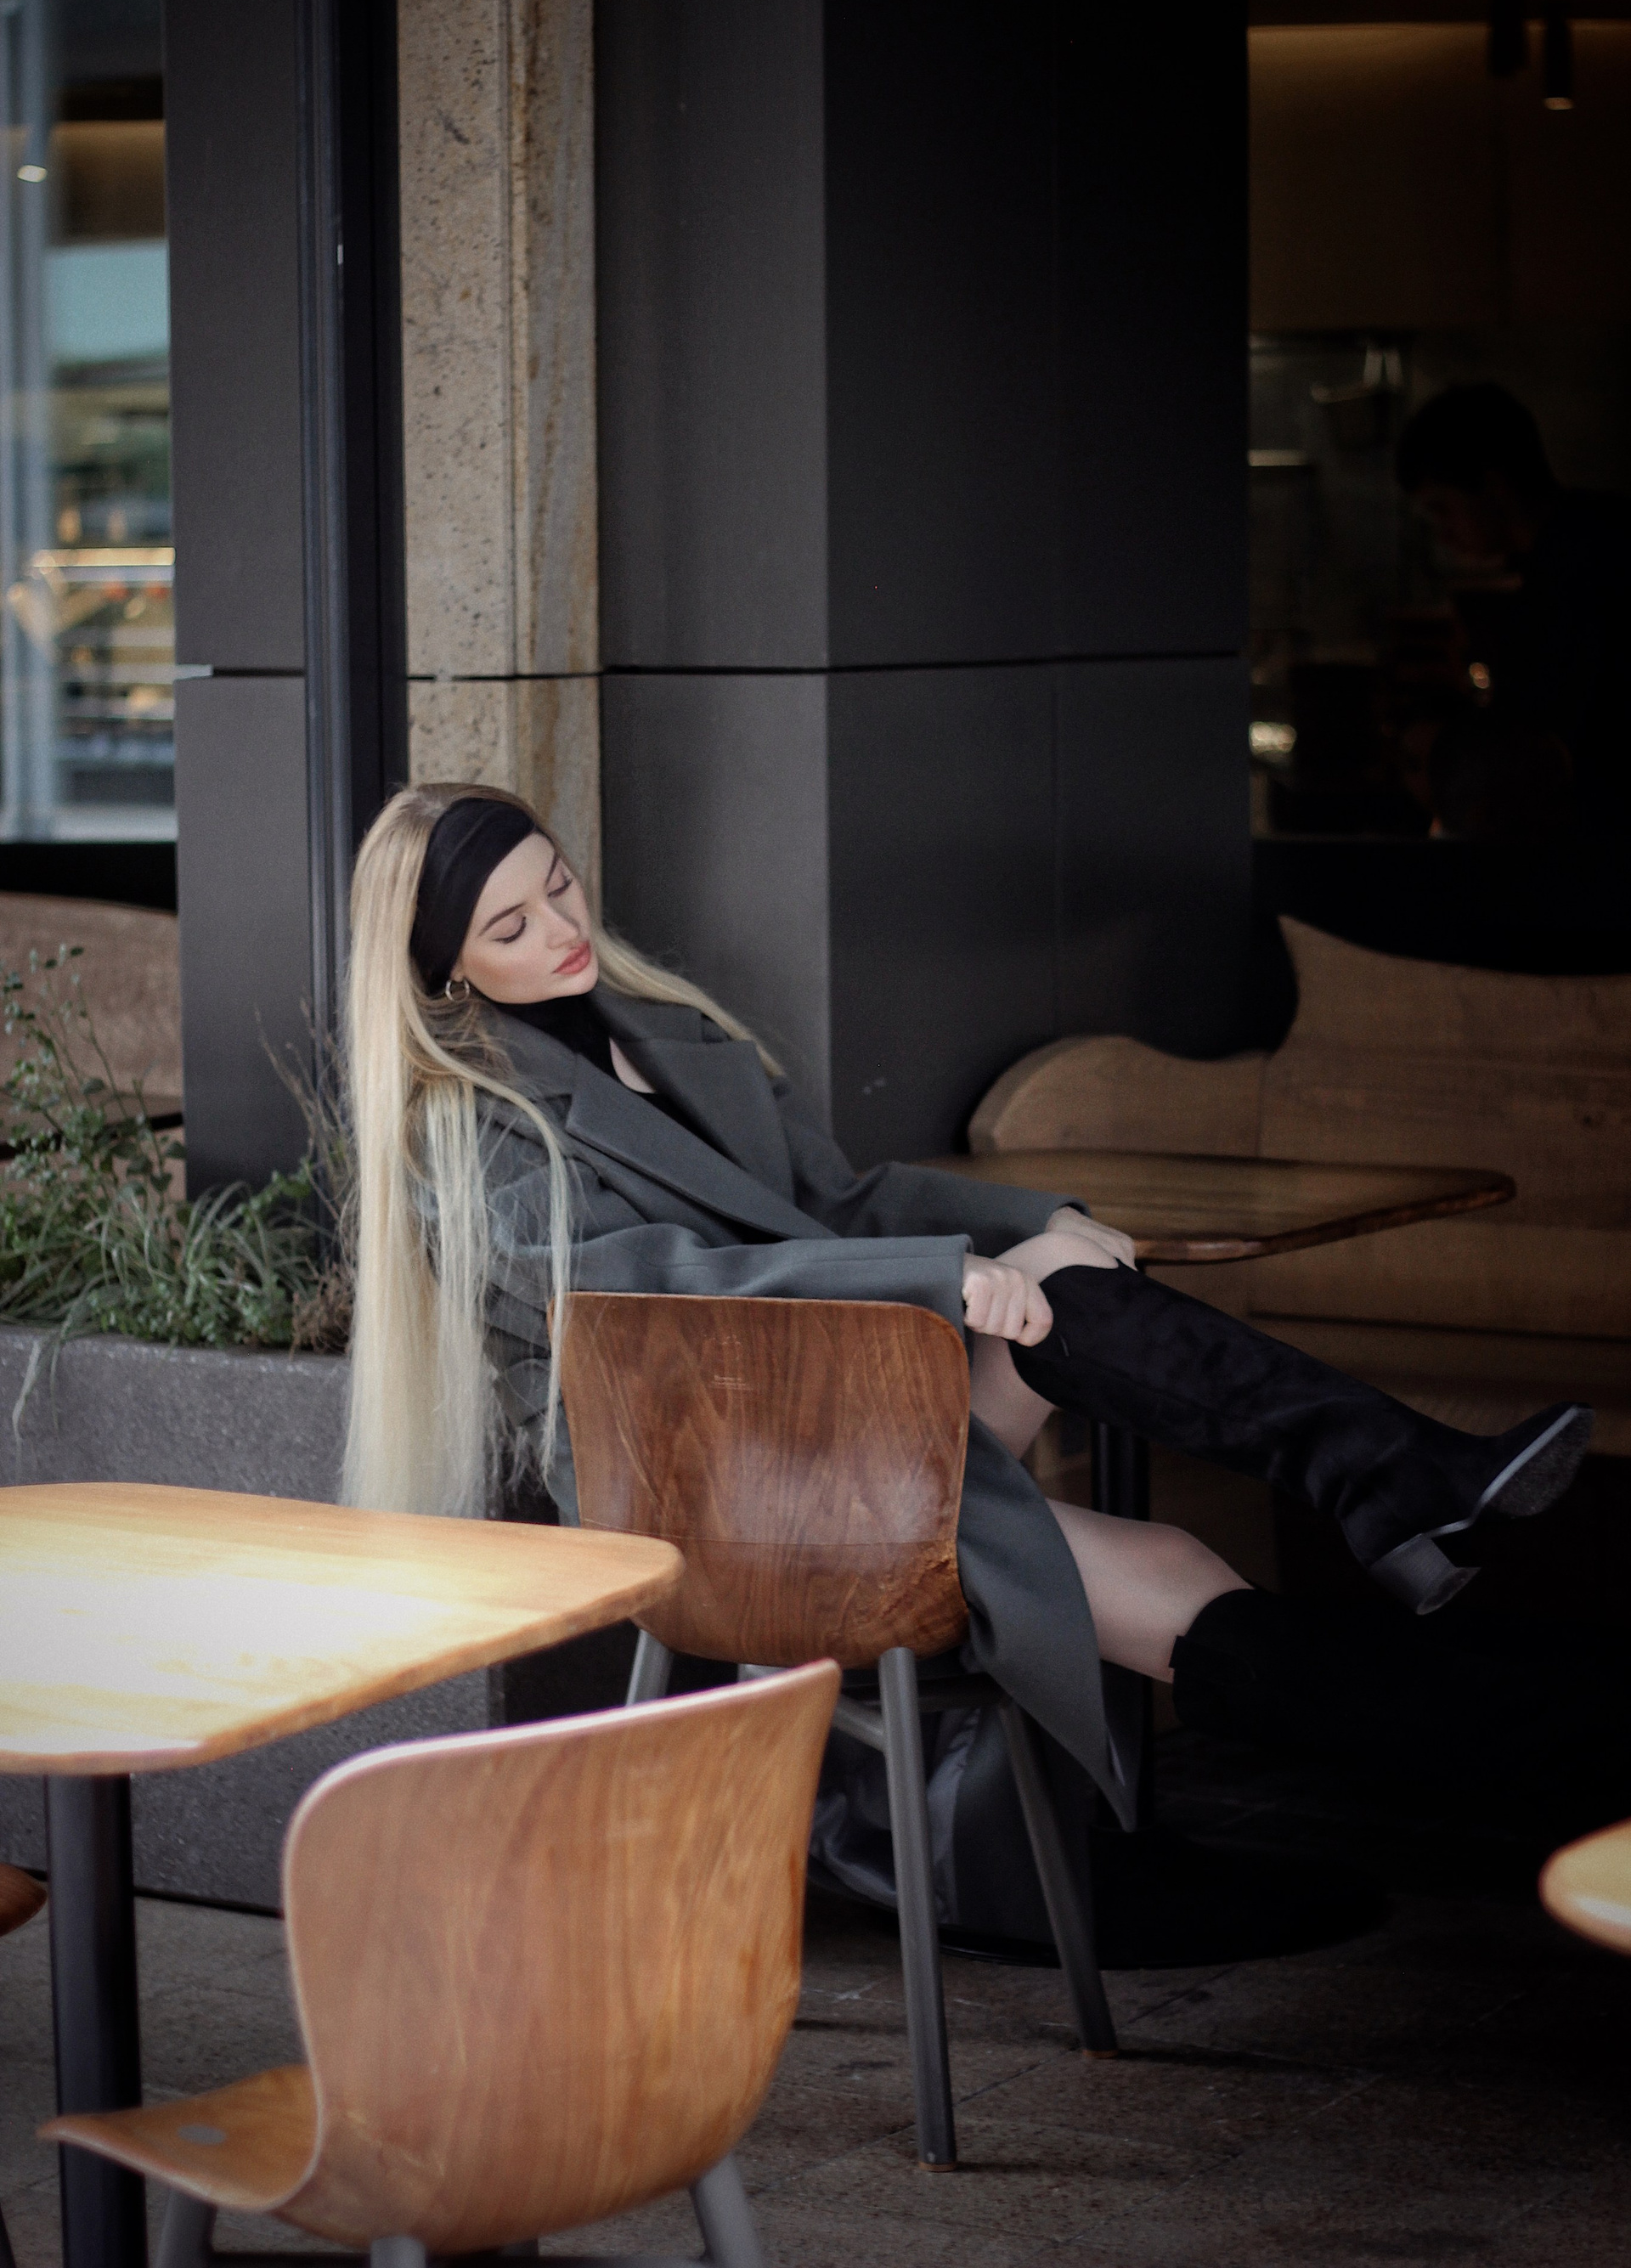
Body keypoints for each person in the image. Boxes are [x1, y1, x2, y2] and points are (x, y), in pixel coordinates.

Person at [341, 781, 1609, 1878]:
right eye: (511, 927)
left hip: (840, 1408)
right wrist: (950, 1278)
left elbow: (838, 1202)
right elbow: (672, 1292)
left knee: (1074, 1319)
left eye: (559, 886)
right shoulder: (464, 1132)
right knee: (1165, 1574)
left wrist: (1034, 1223)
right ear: (447, 967)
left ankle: (1406, 1499)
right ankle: (1544, 1712)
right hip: (718, 1479)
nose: (564, 930)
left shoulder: (657, 1032)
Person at [1397, 384, 1631, 838]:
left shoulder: (1585, 566)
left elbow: (1567, 734)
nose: (1444, 534)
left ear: (1494, 486)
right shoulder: (1564, 553)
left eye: (1444, 509)